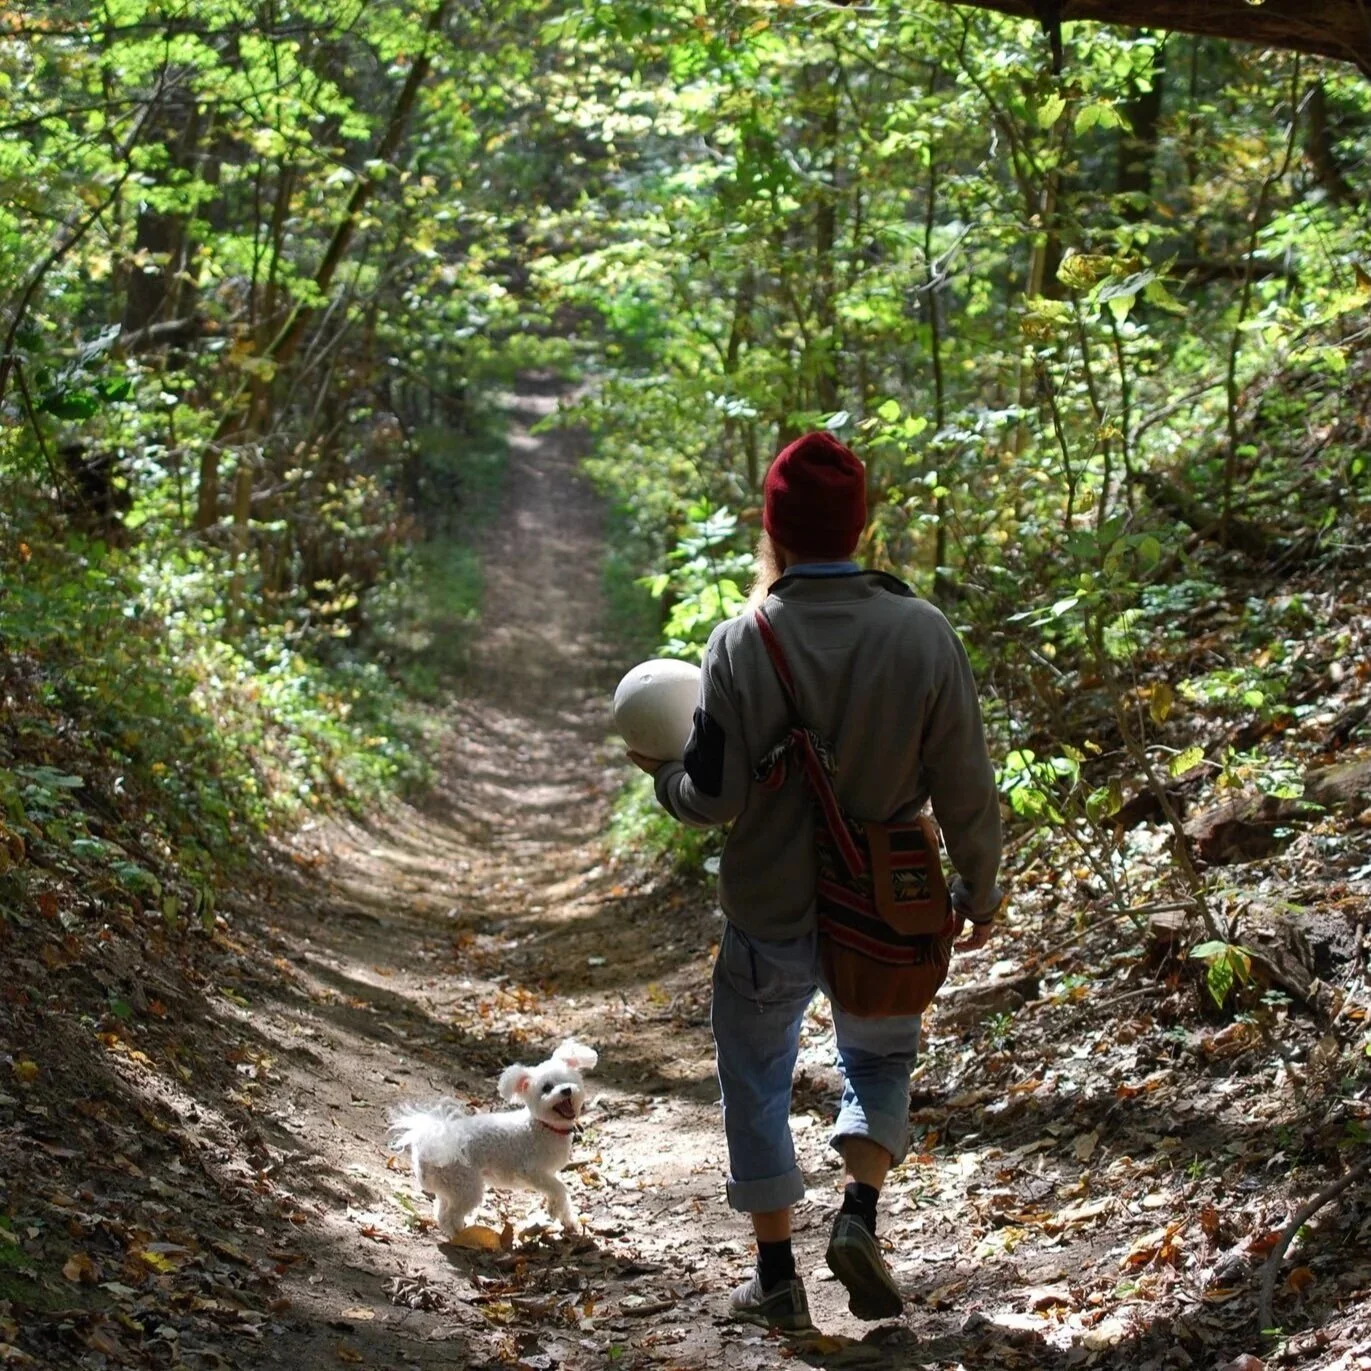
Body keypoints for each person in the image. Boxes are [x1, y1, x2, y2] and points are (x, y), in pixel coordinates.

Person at [628, 431, 1003, 1332]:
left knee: (754, 1073)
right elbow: (965, 782)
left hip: (770, 906)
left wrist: (661, 776)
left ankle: (774, 1277)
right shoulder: (923, 631)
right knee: (879, 1057)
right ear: (859, 525)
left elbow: (713, 796)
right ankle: (858, 1215)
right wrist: (978, 891)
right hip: (888, 905)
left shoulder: (739, 640)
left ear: (774, 531)